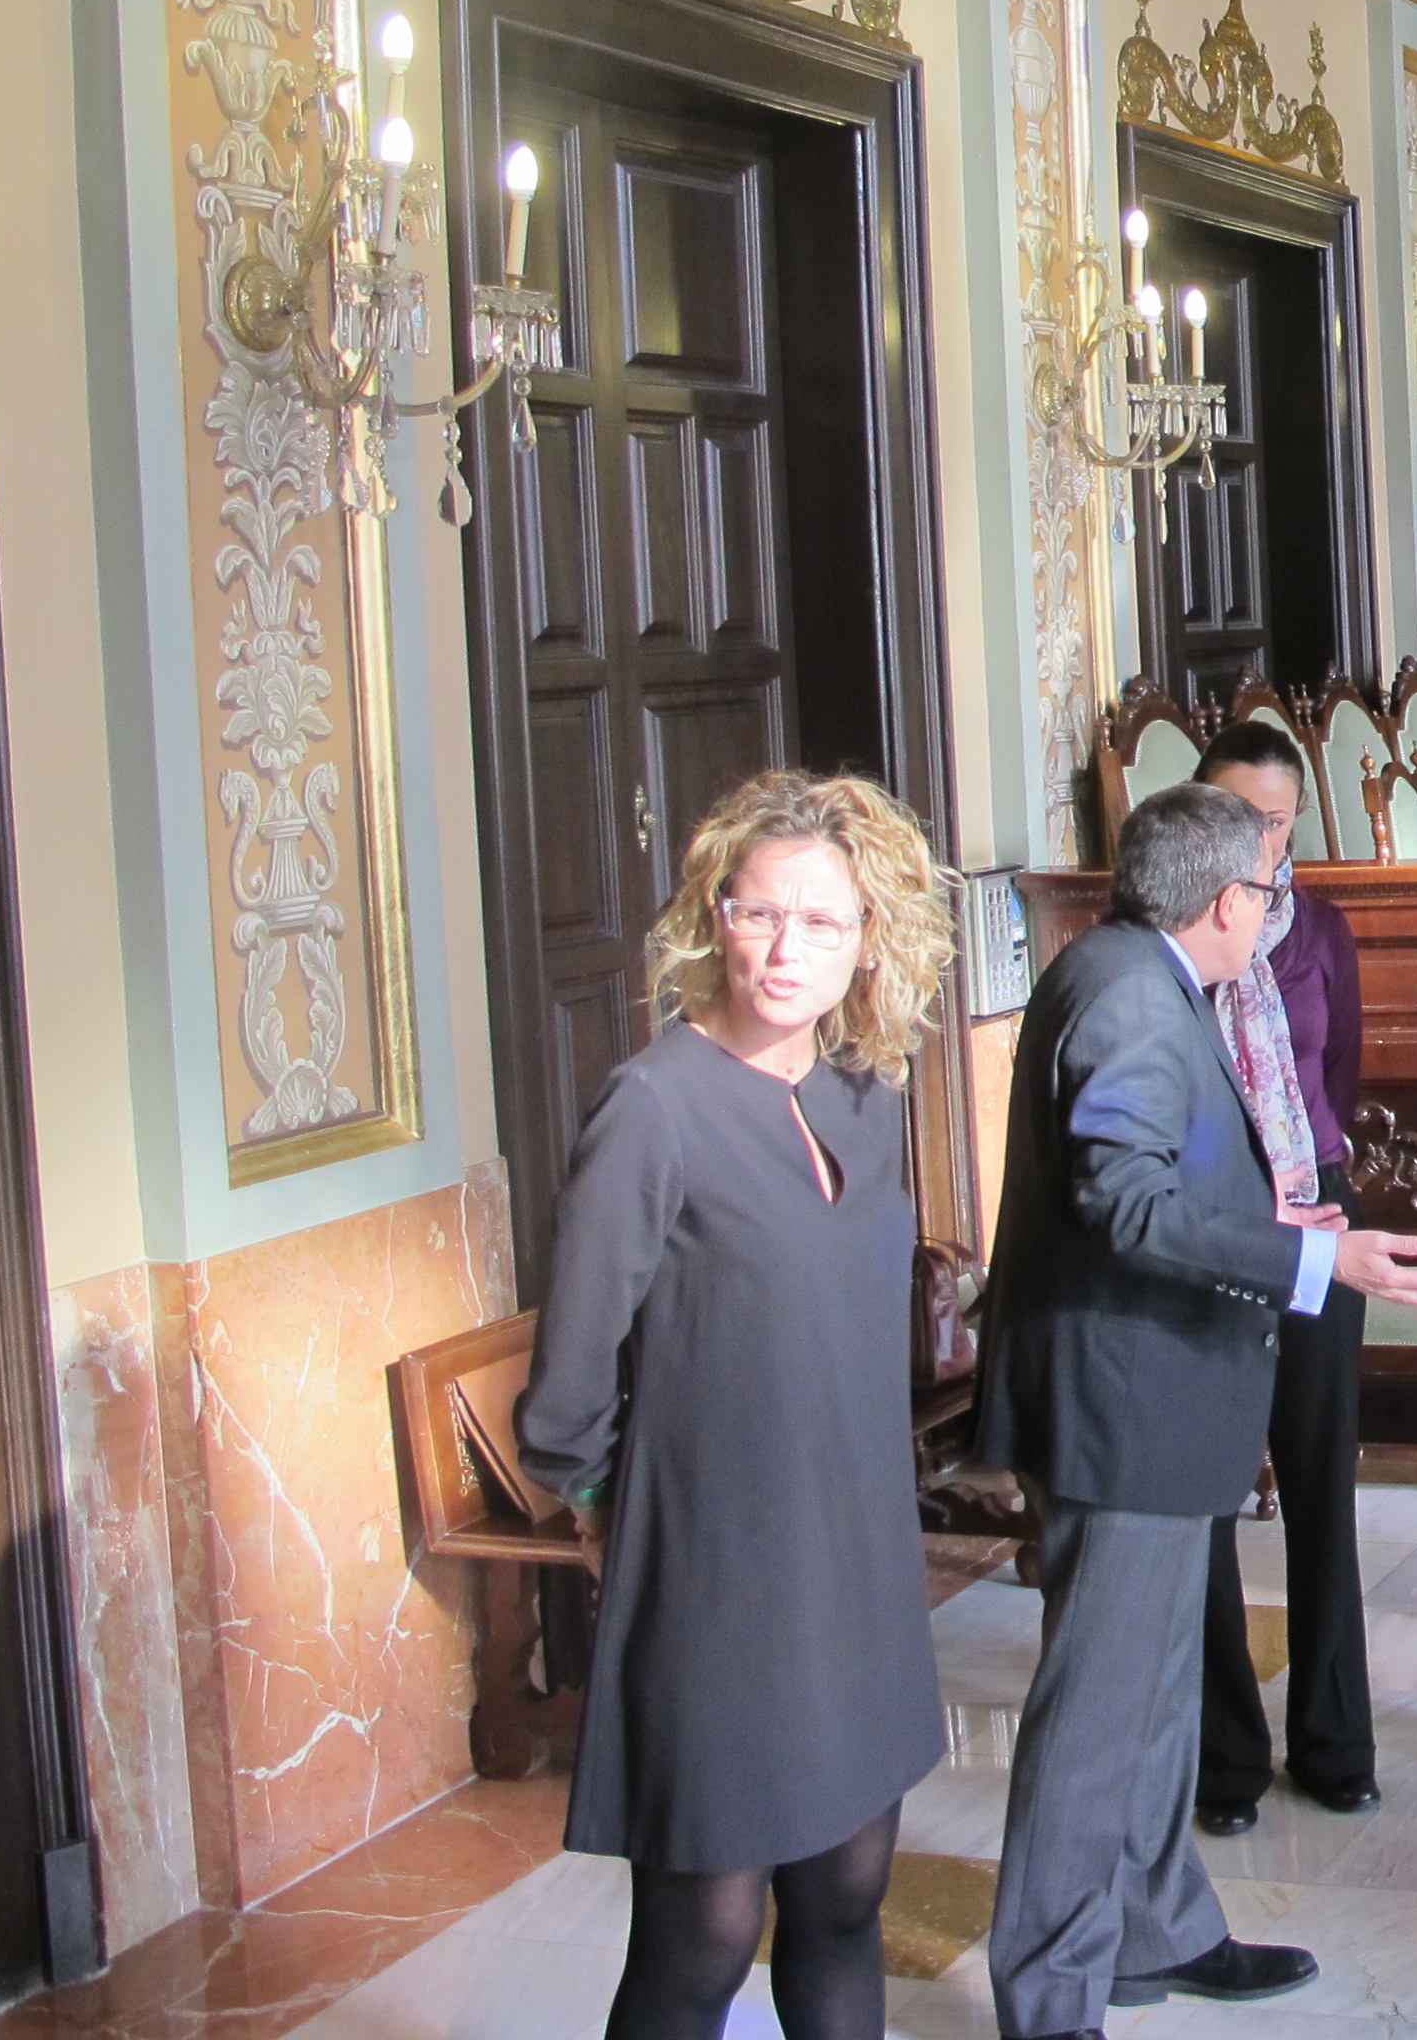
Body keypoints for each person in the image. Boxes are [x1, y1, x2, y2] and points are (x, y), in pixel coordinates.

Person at [979, 784, 1417, 2039]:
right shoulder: (1131, 994)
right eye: (1265, 885)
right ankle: (1050, 1997)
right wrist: (1313, 1258)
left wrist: (1268, 1216)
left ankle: (1157, 1929)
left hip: (1155, 1399)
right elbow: (1125, 1205)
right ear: (1224, 898)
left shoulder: (1139, 971)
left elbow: (1159, 1178)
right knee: (1097, 1714)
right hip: (1121, 1403)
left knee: (1153, 1700)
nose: (1271, 906)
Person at [517, 771, 961, 2040]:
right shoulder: (654, 1106)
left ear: (869, 939)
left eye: (822, 922)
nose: (785, 949)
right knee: (703, 1936)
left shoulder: (865, 1096)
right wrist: (605, 1503)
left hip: (857, 1561)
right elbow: (567, 1383)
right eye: (761, 912)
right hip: (716, 1576)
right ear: (716, 913)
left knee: (846, 1895)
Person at [1188, 722, 1379, 1836]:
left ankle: (1335, 1740)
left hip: (1314, 1206)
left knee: (1319, 1480)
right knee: (1210, 1487)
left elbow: (1337, 1071)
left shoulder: (1322, 930)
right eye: (1236, 815)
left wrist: (1301, 1180)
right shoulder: (1166, 932)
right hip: (1209, 1225)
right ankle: (1224, 1758)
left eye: (1275, 818)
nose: (1258, 836)